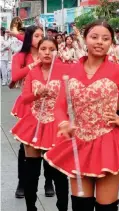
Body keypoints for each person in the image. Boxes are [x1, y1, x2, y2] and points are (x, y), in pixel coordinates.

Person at [44, 20, 119, 211]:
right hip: (78, 142)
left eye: (106, 38)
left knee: (106, 207)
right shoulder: (70, 71)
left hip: (109, 143)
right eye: (94, 37)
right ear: (85, 39)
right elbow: (58, 107)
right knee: (80, 206)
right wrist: (63, 123)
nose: (99, 42)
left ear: (111, 43)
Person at [11, 37, 69, 211]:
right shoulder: (33, 72)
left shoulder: (64, 71)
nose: (47, 52)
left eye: (51, 49)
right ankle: (31, 208)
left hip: (56, 125)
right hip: (34, 123)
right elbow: (24, 98)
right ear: (38, 51)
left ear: (57, 52)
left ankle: (62, 208)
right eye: (43, 48)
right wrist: (37, 93)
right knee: (32, 172)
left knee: (59, 173)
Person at [10, 25, 55, 198]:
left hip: (50, 106)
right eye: (36, 36)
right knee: (26, 147)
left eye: (42, 35)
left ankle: (49, 182)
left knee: (49, 145)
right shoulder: (21, 56)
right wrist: (34, 65)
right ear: (29, 38)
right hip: (29, 104)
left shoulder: (51, 55)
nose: (40, 38)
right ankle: (23, 182)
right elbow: (14, 76)